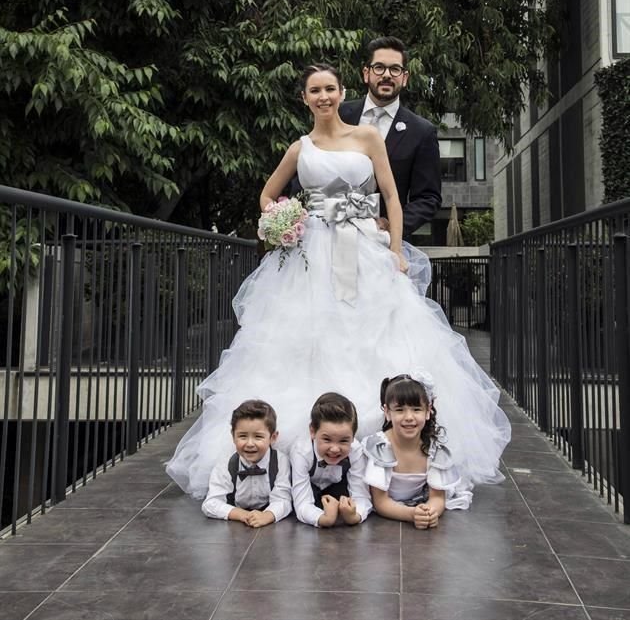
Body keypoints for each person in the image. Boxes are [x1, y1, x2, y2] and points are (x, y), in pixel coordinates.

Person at [165, 63, 510, 500]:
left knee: (372, 332)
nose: (324, 96)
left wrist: (396, 251)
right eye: (315, 90)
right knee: (307, 336)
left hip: (364, 246)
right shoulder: (300, 147)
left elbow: (391, 198)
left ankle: (383, 449)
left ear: (342, 91)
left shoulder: (367, 138)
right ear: (305, 98)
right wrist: (283, 222)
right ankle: (306, 451)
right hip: (312, 252)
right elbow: (268, 194)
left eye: (330, 88)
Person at [339, 36, 441, 241]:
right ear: (366, 73)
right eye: (379, 67)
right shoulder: (339, 115)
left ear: (404, 78)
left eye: (395, 69)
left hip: (384, 244)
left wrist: (391, 225)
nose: (386, 75)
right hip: (329, 235)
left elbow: (428, 198)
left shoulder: (422, 132)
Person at [363, 374, 472, 530]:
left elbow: (437, 497)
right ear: (387, 412)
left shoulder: (433, 451)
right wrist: (411, 514)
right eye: (400, 410)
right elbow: (380, 502)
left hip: (419, 500)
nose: (409, 417)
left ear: (428, 411)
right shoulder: (380, 447)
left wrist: (429, 513)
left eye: (416, 409)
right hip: (390, 506)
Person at [201, 399, 292, 526]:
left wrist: (268, 515)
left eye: (258, 437)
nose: (249, 444)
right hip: (236, 520)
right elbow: (210, 504)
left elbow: (284, 499)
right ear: (233, 436)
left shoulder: (280, 462)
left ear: (273, 438)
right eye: (242, 436)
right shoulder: (226, 463)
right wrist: (241, 514)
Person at [290, 392, 372, 528]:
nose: (334, 449)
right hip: (310, 490)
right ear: (312, 431)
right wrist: (323, 519)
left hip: (339, 489)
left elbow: (361, 495)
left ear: (353, 436)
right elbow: (302, 503)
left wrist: (354, 515)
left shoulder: (356, 450)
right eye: (327, 439)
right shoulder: (301, 452)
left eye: (344, 441)